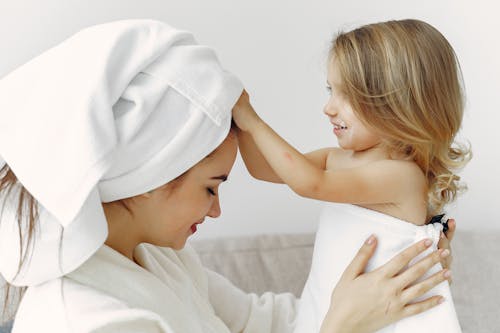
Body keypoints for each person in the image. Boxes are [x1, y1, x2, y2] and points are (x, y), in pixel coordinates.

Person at [0, 20, 453, 333]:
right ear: (149, 176)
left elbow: (256, 322)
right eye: (212, 186)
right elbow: (294, 177)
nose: (217, 209)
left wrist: (387, 287)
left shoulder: (158, 257)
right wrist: (340, 324)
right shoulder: (93, 320)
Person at [232, 19, 468, 332]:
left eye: (347, 94)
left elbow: (309, 184)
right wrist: (238, 120)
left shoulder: (403, 177)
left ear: (398, 104)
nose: (328, 108)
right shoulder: (337, 159)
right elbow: (264, 169)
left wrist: (254, 123)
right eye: (331, 90)